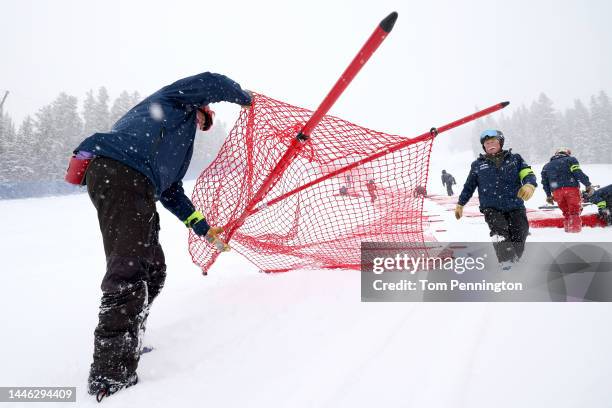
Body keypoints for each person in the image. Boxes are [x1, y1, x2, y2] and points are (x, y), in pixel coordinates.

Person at [70, 72, 252, 400]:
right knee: (128, 269)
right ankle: (109, 374)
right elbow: (212, 80)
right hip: (120, 171)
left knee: (154, 270)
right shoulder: (173, 99)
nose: (200, 124)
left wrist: (203, 228)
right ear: (200, 108)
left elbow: (172, 194)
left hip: (140, 183)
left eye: (204, 125)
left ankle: (131, 339)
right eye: (203, 118)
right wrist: (244, 97)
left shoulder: (177, 155)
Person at [455, 129, 537, 268]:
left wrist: (529, 184)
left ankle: (515, 260)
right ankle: (507, 264)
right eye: (487, 143)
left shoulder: (515, 159)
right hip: (491, 207)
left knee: (520, 233)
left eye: (493, 141)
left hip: (515, 205)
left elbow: (527, 173)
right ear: (483, 147)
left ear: (501, 143)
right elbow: (469, 186)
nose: (490, 144)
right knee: (500, 233)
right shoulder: (478, 165)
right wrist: (460, 204)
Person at [541, 147, 594, 232]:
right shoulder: (570, 160)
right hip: (571, 189)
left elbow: (545, 183)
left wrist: (548, 195)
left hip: (556, 192)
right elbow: (577, 172)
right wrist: (587, 184)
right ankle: (574, 235)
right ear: (567, 153)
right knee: (574, 213)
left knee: (566, 213)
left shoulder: (546, 166)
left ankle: (568, 232)